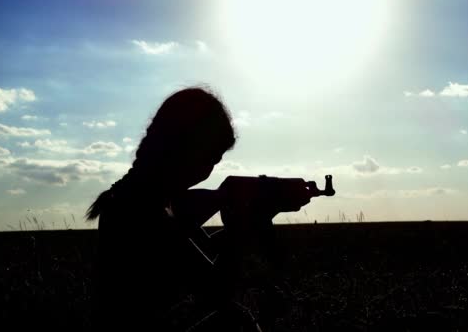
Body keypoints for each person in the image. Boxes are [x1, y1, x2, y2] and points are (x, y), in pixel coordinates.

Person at [86, 87, 311, 330]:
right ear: (186, 148)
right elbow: (216, 292)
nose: (208, 170)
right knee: (235, 324)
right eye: (211, 158)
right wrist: (243, 226)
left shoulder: (145, 198)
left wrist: (253, 217)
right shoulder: (140, 208)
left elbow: (203, 251)